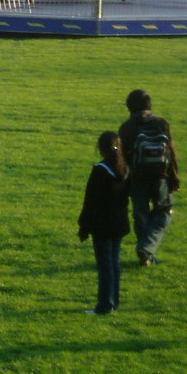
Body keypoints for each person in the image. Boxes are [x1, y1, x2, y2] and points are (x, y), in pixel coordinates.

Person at [118, 89, 179, 266]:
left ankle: (145, 250)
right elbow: (171, 152)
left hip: (137, 178)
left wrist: (122, 181)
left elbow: (121, 157)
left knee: (141, 215)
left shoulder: (127, 127)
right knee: (164, 212)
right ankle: (146, 250)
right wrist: (174, 177)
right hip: (160, 177)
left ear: (129, 107)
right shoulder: (161, 123)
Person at [78, 131, 130, 315]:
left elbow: (91, 201)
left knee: (105, 265)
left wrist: (84, 226)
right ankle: (114, 301)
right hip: (119, 222)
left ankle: (104, 305)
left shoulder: (101, 170)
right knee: (114, 263)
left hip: (102, 224)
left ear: (100, 147)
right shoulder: (124, 168)